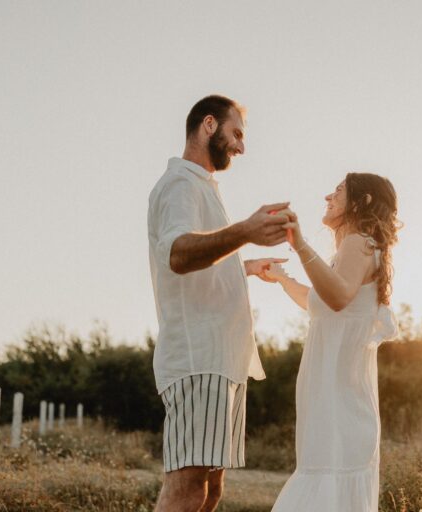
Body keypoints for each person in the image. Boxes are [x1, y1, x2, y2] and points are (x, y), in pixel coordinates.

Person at [147, 94, 294, 512]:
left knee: (211, 491)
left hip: (223, 360)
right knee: (187, 487)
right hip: (199, 357)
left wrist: (242, 267)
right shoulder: (180, 184)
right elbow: (178, 253)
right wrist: (246, 230)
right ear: (208, 125)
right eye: (237, 134)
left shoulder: (201, 187)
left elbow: (203, 255)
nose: (241, 147)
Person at [258, 172, 401, 511]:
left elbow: (336, 297)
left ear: (362, 201)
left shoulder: (359, 242)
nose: (328, 196)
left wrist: (300, 243)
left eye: (338, 190)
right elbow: (319, 301)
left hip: (341, 410)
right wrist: (281, 278)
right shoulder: (356, 250)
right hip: (334, 404)